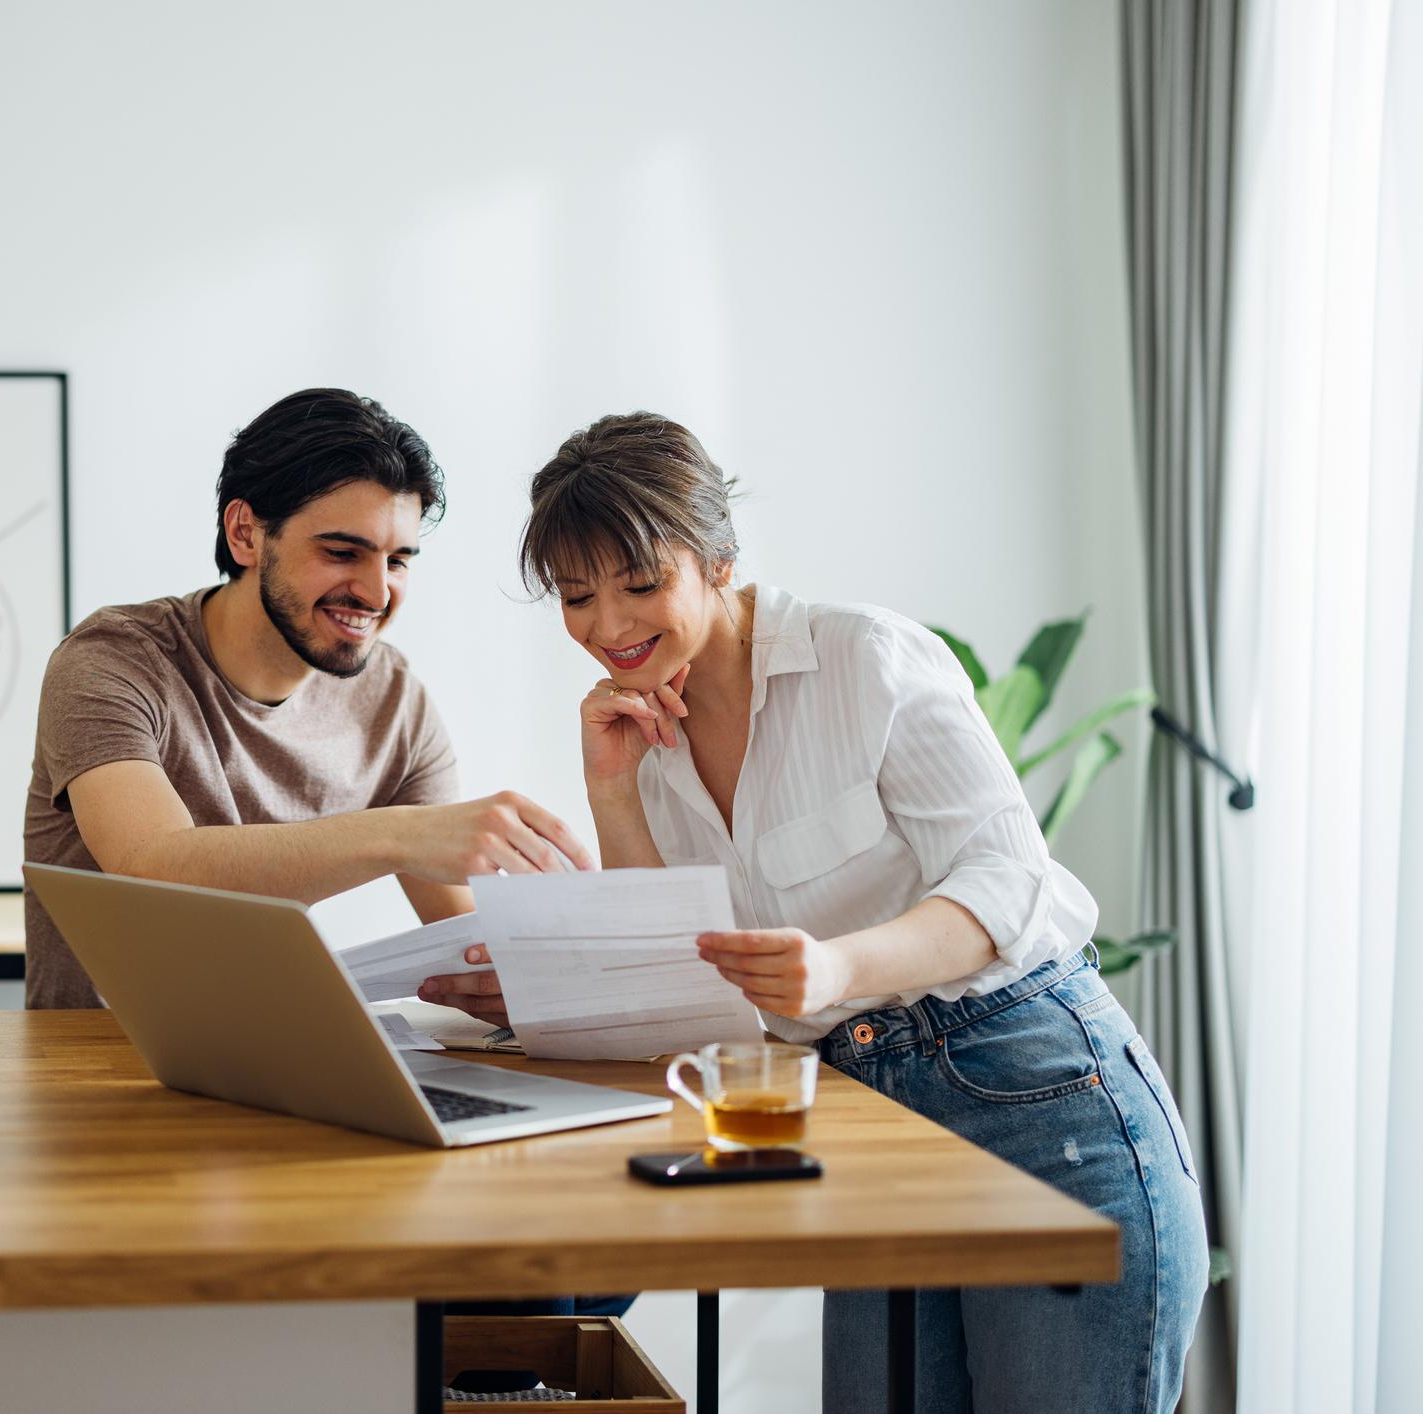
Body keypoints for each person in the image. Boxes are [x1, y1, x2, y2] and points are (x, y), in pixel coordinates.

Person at [423, 412, 1208, 1411]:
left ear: (716, 556)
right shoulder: (642, 734)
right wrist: (611, 792)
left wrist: (835, 968)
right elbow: (674, 974)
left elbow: (1007, 878)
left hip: (1035, 1097)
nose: (607, 624)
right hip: (869, 1128)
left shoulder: (863, 657)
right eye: (577, 596)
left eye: (637, 583)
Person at [21, 387, 594, 1011]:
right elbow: (148, 865)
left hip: (285, 1061)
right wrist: (401, 836)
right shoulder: (113, 660)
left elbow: (459, 931)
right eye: (342, 552)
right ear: (245, 533)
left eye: (398, 561)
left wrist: (509, 978)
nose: (376, 592)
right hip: (96, 1074)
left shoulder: (395, 702)